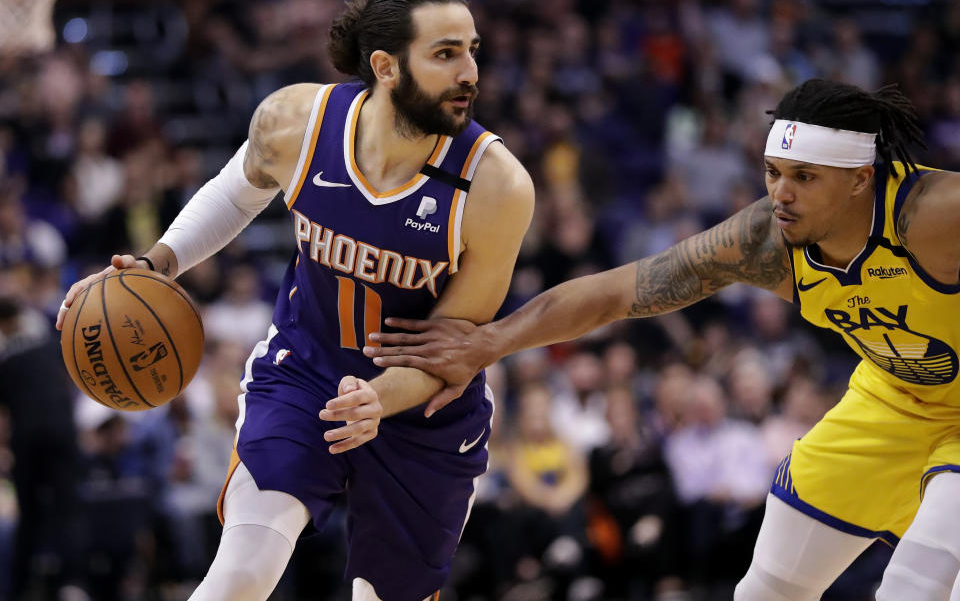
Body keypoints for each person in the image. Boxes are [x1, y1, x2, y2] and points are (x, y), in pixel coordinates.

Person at [365, 78, 960, 601]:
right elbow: (617, 292)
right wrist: (488, 342)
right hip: (890, 401)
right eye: (774, 173)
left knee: (913, 586)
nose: (781, 194)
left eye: (805, 178)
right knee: (766, 589)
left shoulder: (934, 215)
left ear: (860, 179)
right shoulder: (766, 240)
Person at [56, 0, 534, 601]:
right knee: (241, 575)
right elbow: (237, 190)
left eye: (472, 50)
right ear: (386, 67)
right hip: (305, 372)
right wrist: (159, 262)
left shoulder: (495, 187)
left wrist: (378, 399)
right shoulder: (297, 122)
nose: (470, 71)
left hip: (423, 413)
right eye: (445, 54)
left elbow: (455, 347)